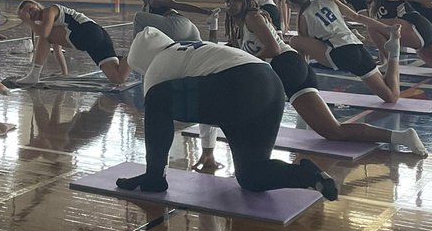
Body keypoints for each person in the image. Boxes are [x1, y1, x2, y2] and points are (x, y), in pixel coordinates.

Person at [204, 0, 425, 169]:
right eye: (227, 1)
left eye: (235, 0)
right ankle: (400, 136)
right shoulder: (243, 23)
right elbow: (227, 49)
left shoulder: (253, 17)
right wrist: (214, 29)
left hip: (287, 67)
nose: (230, 5)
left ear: (246, 0)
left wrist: (247, 62)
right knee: (333, 132)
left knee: (244, 109)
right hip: (296, 69)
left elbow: (272, 48)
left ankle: (241, 160)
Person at [115, 26, 338, 199]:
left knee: (155, 98)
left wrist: (157, 169)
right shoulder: (192, 50)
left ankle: (154, 178)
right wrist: (208, 149)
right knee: (251, 175)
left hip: (239, 87)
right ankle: (308, 176)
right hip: (270, 84)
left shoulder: (157, 67)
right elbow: (206, 105)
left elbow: (159, 114)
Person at [283, 0, 402, 103]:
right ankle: (394, 54)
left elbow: (304, 54)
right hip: (357, 47)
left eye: (287, 0)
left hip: (339, 53)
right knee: (391, 97)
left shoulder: (302, 16)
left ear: (293, 1)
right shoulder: (329, 0)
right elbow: (357, 17)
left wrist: (302, 78)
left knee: (295, 41)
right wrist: (387, 28)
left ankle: (303, 84)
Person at [16, 1, 129, 86]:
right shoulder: (52, 27)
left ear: (37, 5)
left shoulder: (49, 10)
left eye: (31, 8)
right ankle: (134, 55)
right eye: (27, 12)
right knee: (118, 78)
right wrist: (64, 72)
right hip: (99, 36)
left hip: (87, 31)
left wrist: (28, 21)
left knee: (44, 36)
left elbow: (45, 34)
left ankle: (34, 75)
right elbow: (57, 49)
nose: (31, 12)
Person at [133, 0, 205, 41]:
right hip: (189, 29)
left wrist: (205, 12)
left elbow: (178, 5)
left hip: (177, 24)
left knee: (138, 16)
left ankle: (135, 48)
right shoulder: (146, 6)